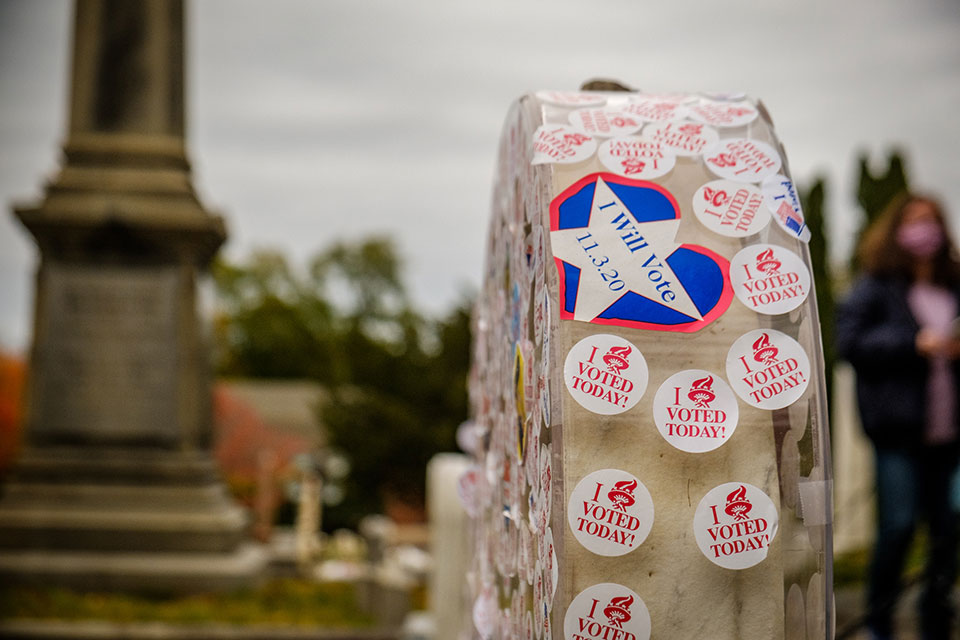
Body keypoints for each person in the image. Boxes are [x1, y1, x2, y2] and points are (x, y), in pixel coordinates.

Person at [836, 193, 960, 640]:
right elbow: (849, 345)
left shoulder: (953, 285)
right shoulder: (875, 285)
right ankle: (878, 624)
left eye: (932, 220)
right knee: (899, 527)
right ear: (896, 230)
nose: (924, 229)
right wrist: (912, 344)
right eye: (914, 221)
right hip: (897, 434)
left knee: (947, 529)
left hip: (949, 434)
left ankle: (936, 620)